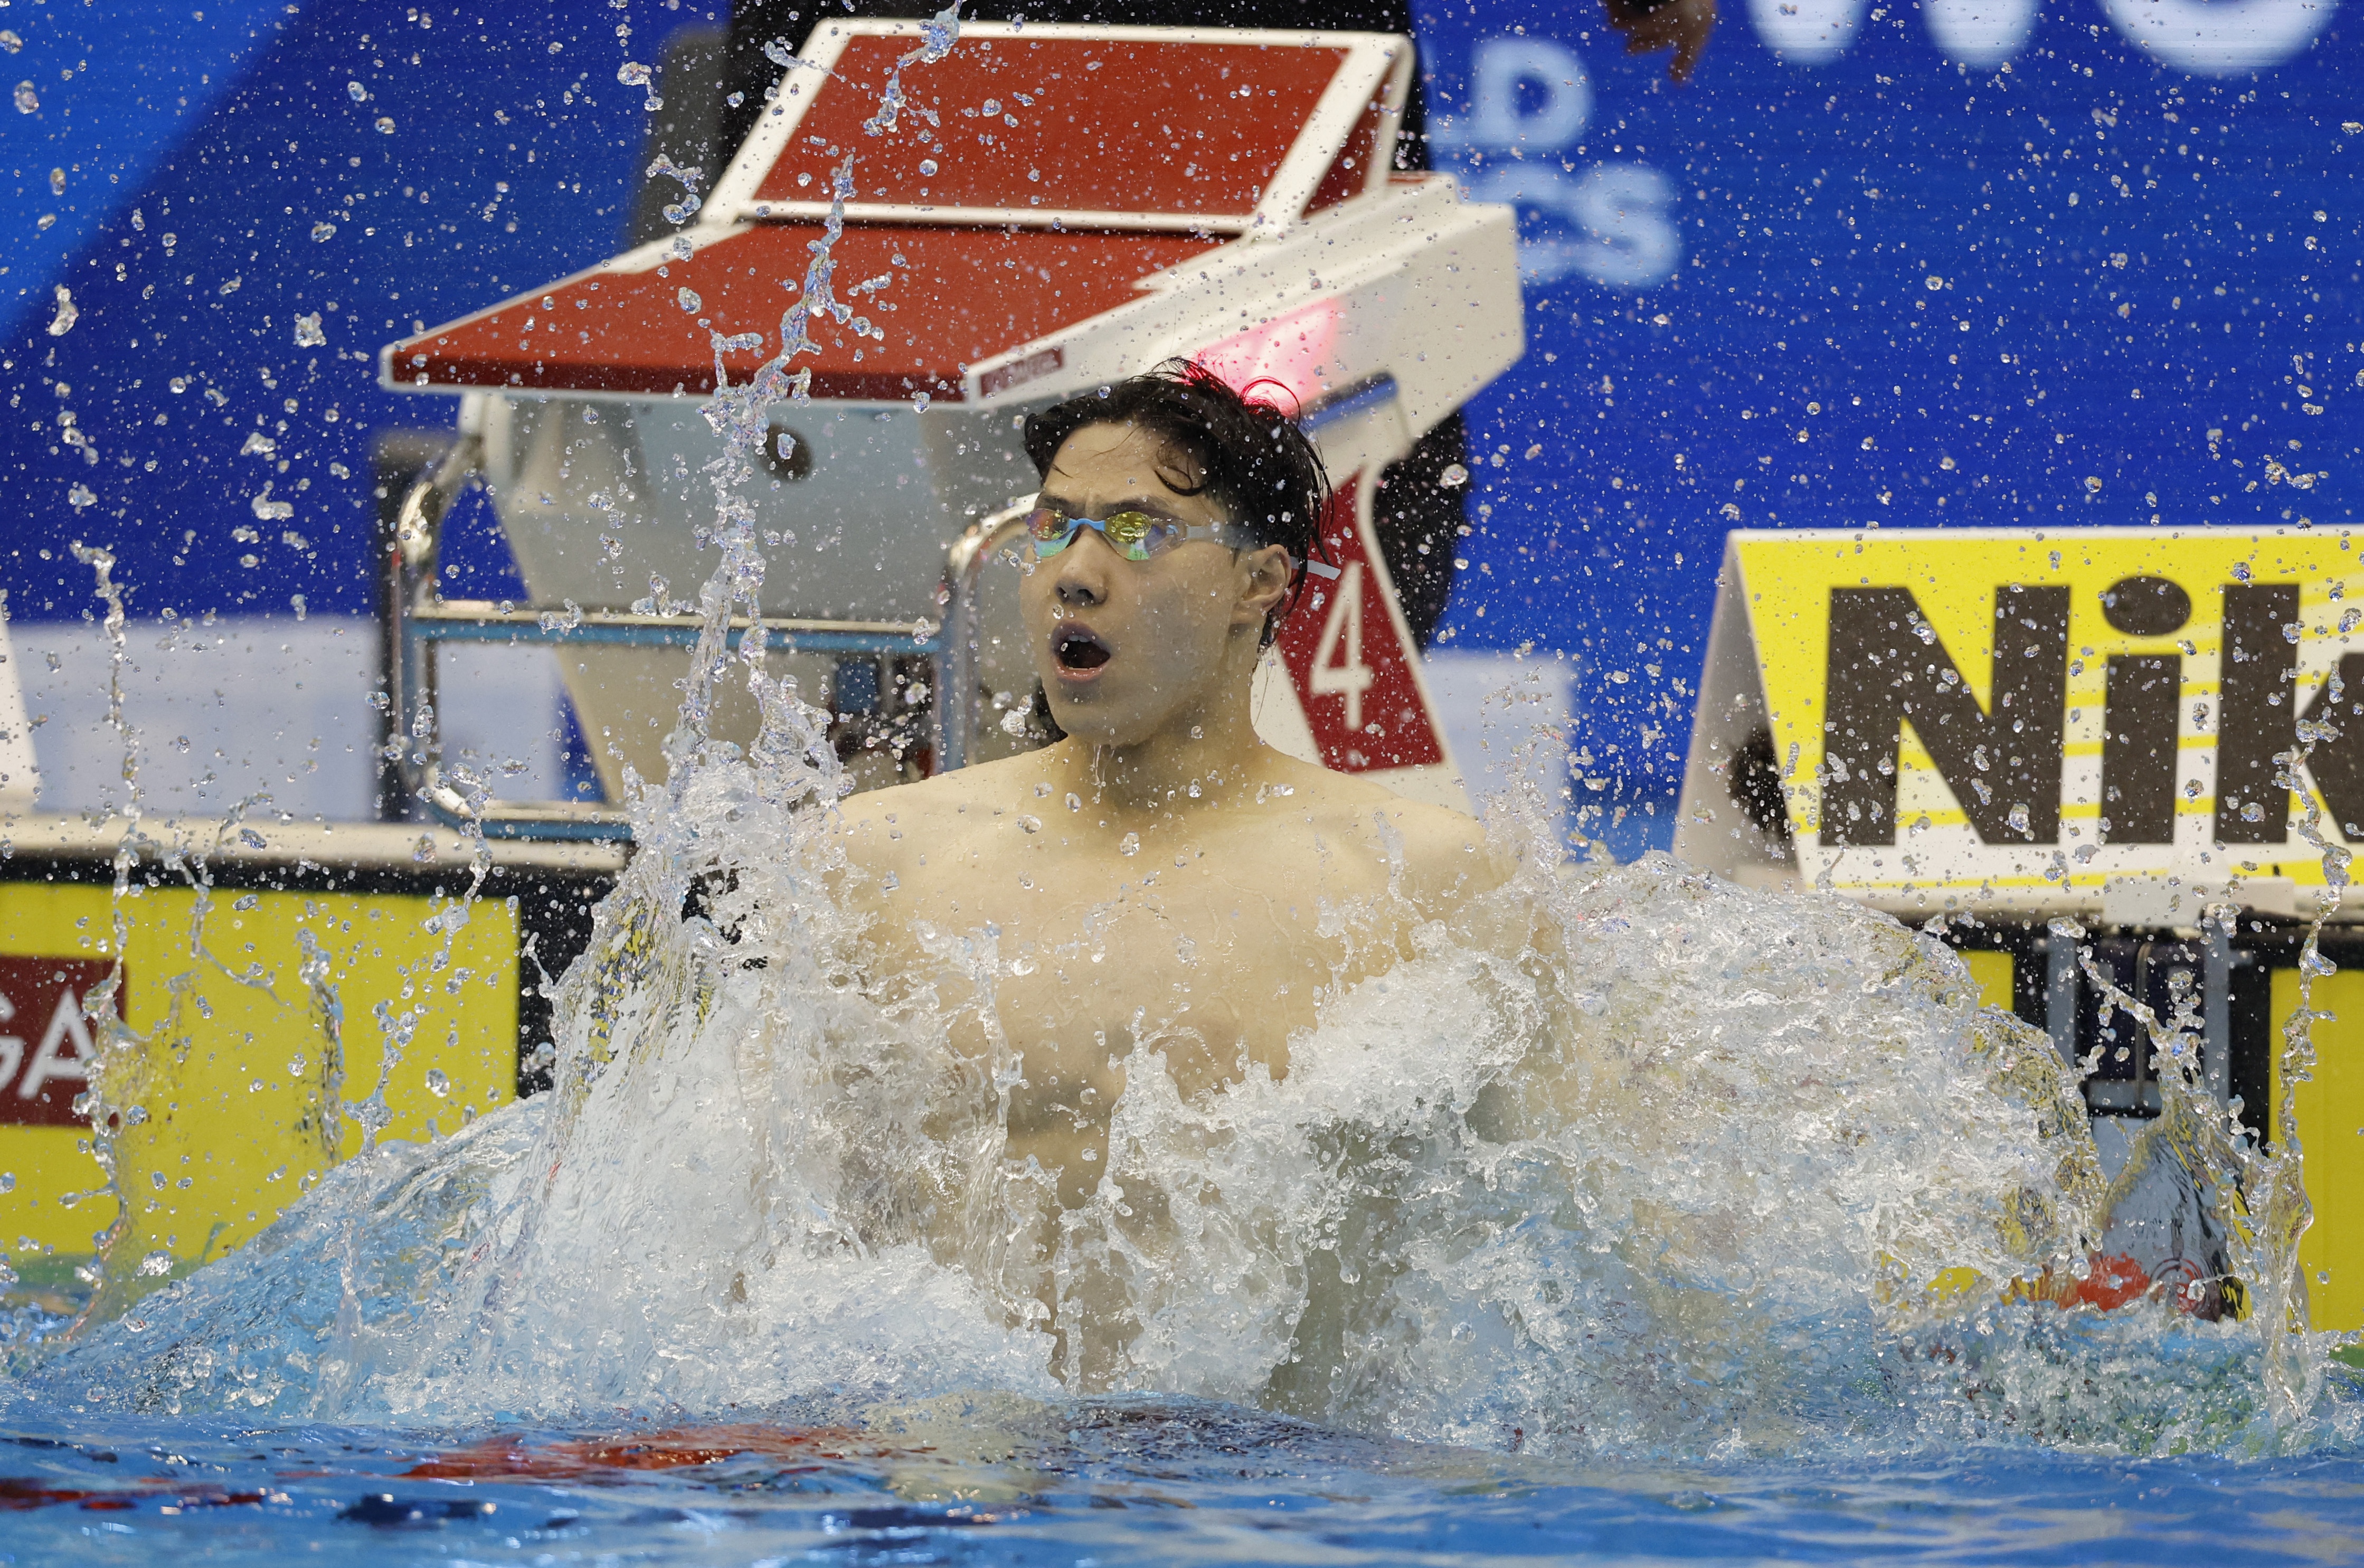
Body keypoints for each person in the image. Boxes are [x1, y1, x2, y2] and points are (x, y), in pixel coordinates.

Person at [830, 364, 1500, 1380]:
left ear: (1258, 582)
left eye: (1138, 532)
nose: (1074, 573)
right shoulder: (880, 858)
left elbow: (1584, 1229)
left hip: (1275, 1465)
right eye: (1052, 527)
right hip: (960, 1453)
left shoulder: (1419, 879)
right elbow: (749, 1236)